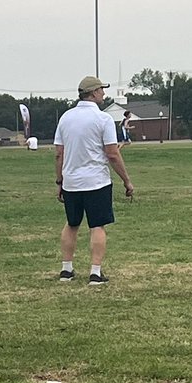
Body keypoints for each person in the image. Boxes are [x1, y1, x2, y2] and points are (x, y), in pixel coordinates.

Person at [54, 76, 134, 286]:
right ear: (93, 93)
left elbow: (59, 153)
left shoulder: (65, 118)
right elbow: (112, 154)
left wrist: (59, 181)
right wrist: (126, 180)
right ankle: (95, 273)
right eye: (101, 90)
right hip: (96, 181)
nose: (104, 94)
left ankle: (66, 270)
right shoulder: (103, 119)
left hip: (71, 182)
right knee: (97, 225)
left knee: (72, 224)